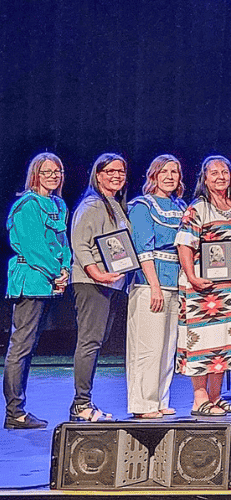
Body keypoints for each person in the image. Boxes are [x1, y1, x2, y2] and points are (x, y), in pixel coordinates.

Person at [176, 155, 231, 417]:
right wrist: (192, 277)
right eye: (214, 173)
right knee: (202, 343)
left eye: (224, 173)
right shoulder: (198, 208)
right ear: (204, 178)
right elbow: (184, 244)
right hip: (203, 287)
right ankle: (200, 399)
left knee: (224, 342)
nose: (220, 177)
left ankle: (216, 398)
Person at [4, 153, 71, 429]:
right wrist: (56, 273)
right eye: (47, 172)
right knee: (20, 346)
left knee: (29, 347)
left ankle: (19, 408)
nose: (53, 176)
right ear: (35, 175)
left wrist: (66, 268)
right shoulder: (27, 205)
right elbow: (34, 249)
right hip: (31, 281)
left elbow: (62, 242)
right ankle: (14, 412)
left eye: (57, 171)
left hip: (49, 283)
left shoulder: (58, 204)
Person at [68, 153, 133, 422]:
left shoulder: (114, 204)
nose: (116, 176)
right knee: (90, 341)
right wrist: (96, 273)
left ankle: (84, 402)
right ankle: (81, 404)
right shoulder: (93, 204)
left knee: (96, 341)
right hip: (92, 282)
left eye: (121, 172)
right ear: (98, 175)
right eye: (110, 172)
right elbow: (80, 243)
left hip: (111, 283)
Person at [124, 155, 185, 419]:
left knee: (167, 346)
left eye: (175, 172)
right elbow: (143, 248)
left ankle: (160, 399)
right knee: (148, 346)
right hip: (151, 283)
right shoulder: (142, 206)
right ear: (154, 175)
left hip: (176, 284)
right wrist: (155, 286)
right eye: (165, 172)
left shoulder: (181, 207)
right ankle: (143, 403)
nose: (170, 176)